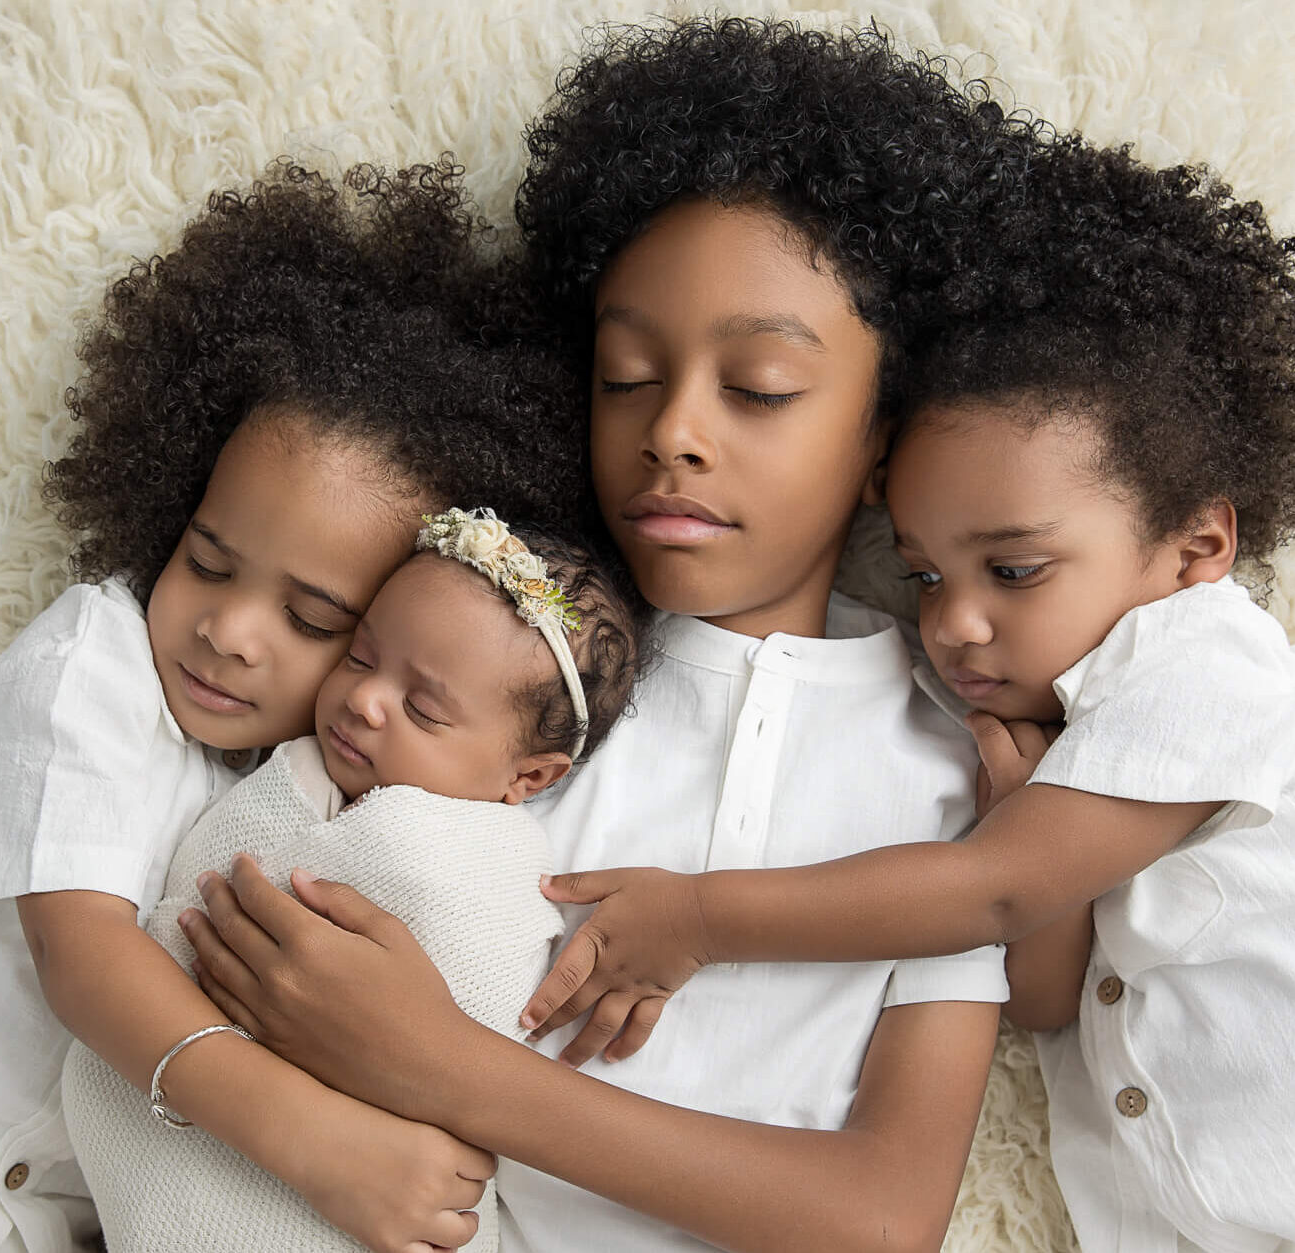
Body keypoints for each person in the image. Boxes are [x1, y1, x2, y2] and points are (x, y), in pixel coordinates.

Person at [516, 136, 1295, 1251]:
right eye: (926, 573)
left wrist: (703, 914)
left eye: (1015, 571)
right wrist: (1015, 812)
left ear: (1197, 545)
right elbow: (1040, 991)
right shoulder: (1043, 740)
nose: (955, 621)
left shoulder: (1209, 665)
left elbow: (986, 895)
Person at [178, 18, 1053, 1253]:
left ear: (882, 436)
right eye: (625, 374)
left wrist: (445, 1064)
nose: (673, 430)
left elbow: (883, 1212)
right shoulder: (488, 665)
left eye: (756, 388)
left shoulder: (957, 764)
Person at [0, 161, 593, 1253]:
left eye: (317, 620)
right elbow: (86, 962)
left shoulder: (298, 794)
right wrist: (321, 1143)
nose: (228, 628)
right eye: (207, 560)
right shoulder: (95, 663)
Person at [64, 509, 643, 1253]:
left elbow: (486, 990)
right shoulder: (290, 769)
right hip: (229, 1113)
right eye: (361, 657)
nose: (364, 700)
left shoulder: (487, 862)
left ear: (527, 776)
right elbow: (197, 894)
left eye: (423, 708)